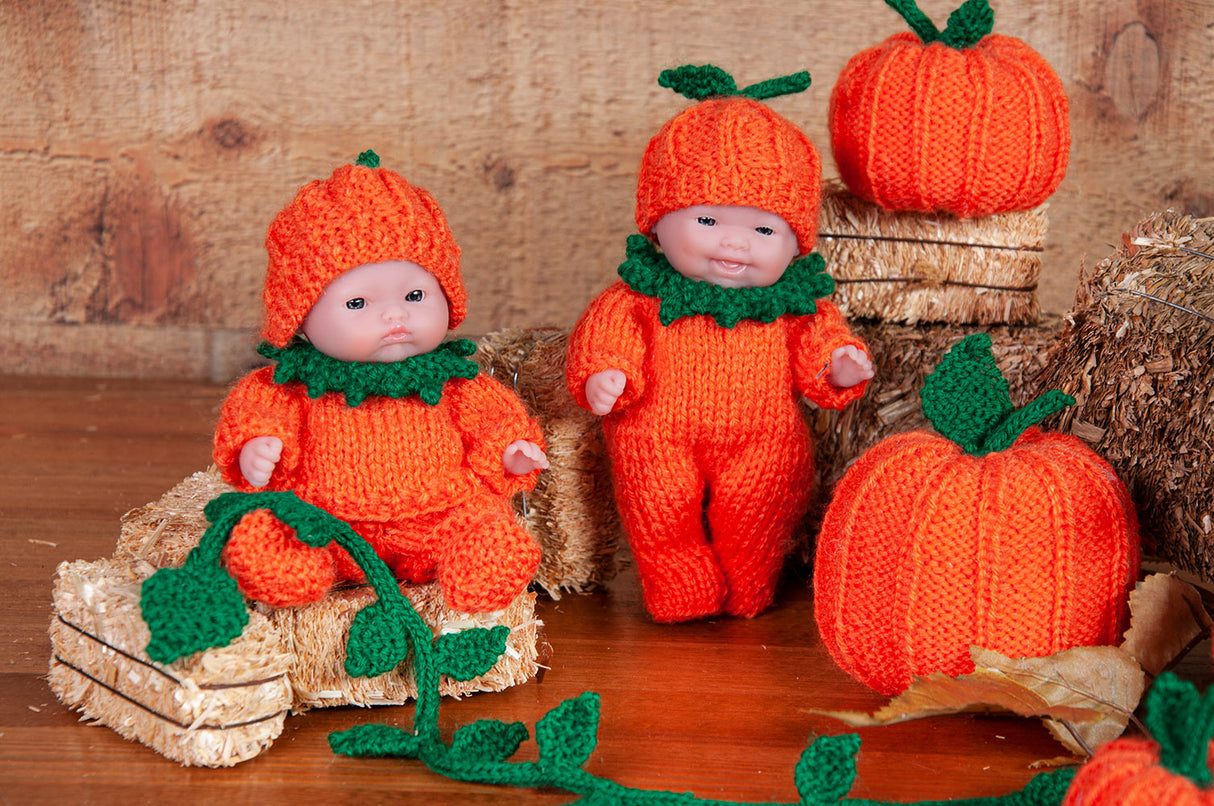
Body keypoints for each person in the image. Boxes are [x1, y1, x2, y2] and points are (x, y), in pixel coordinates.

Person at [567, 66, 873, 623]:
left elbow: (820, 342)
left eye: (764, 230)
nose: (735, 243)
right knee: (658, 506)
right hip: (654, 429)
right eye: (708, 219)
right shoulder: (640, 295)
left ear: (796, 244)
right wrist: (605, 372)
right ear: (658, 224)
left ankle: (748, 576)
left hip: (764, 434)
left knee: (761, 505)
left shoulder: (796, 303)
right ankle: (677, 580)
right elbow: (606, 335)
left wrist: (838, 365)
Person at [213, 151, 547, 614]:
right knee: (283, 525)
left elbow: (493, 419)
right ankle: (288, 562)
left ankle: (480, 557)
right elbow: (256, 414)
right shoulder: (291, 384)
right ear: (300, 318)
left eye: (415, 295)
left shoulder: (454, 382)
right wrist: (257, 446)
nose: (394, 315)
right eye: (357, 303)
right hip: (330, 518)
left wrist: (510, 449)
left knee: (482, 517)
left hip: (438, 513)